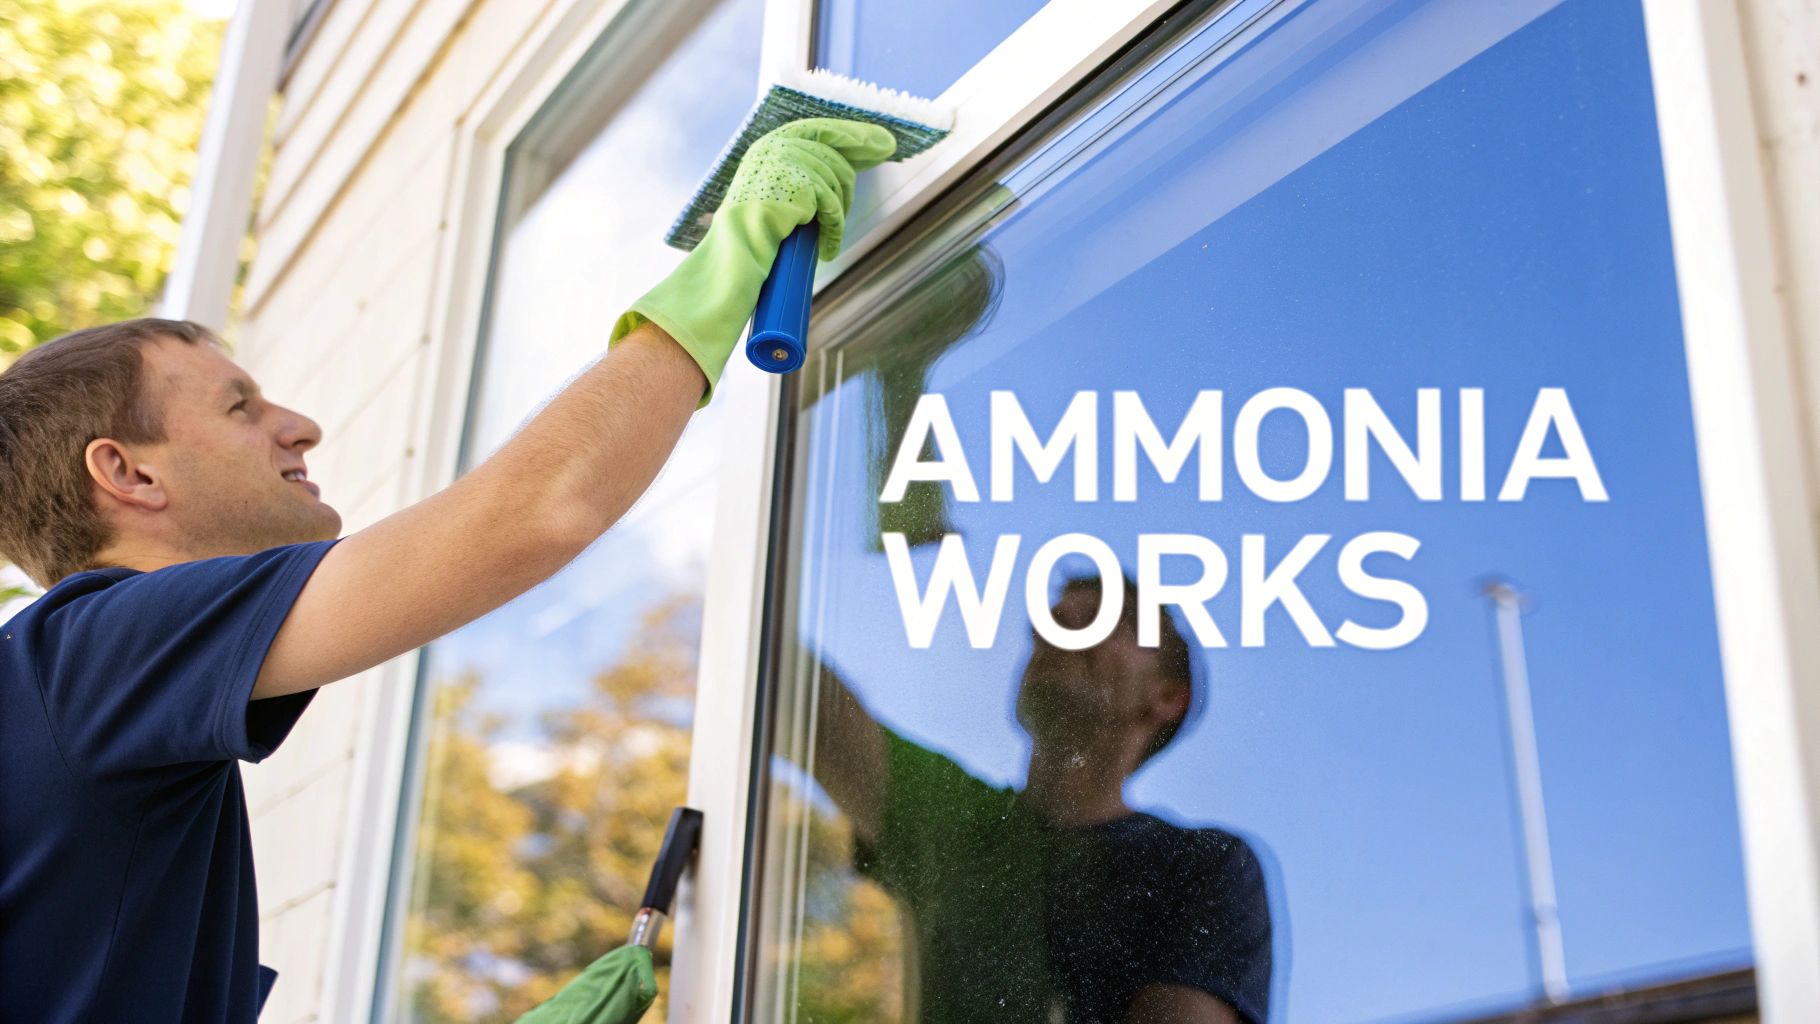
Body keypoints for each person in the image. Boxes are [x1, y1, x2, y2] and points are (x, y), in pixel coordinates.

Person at [0, 118, 895, 1023]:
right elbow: (534, 514)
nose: (299, 424)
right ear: (127, 472)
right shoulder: (86, 655)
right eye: (241, 406)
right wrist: (727, 266)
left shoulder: (82, 702)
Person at [806, 575, 1273, 1024]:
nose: (1056, 619)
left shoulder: (1200, 867)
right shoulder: (954, 821)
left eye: (1104, 618)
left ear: (1168, 696)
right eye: (1051, 619)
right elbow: (799, 693)